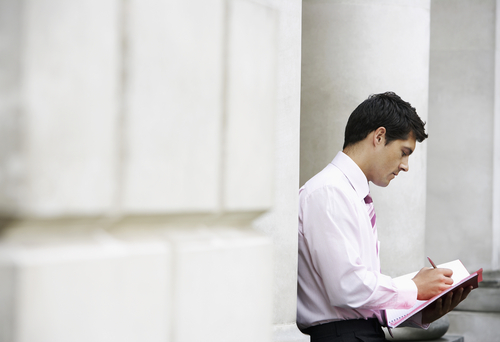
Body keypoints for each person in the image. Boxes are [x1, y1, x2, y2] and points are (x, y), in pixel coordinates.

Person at [297, 92, 472, 342]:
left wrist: (422, 309)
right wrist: (415, 287)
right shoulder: (329, 191)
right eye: (404, 152)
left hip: (359, 333)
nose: (405, 165)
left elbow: (358, 298)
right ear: (379, 137)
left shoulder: (350, 193)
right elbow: (346, 288)